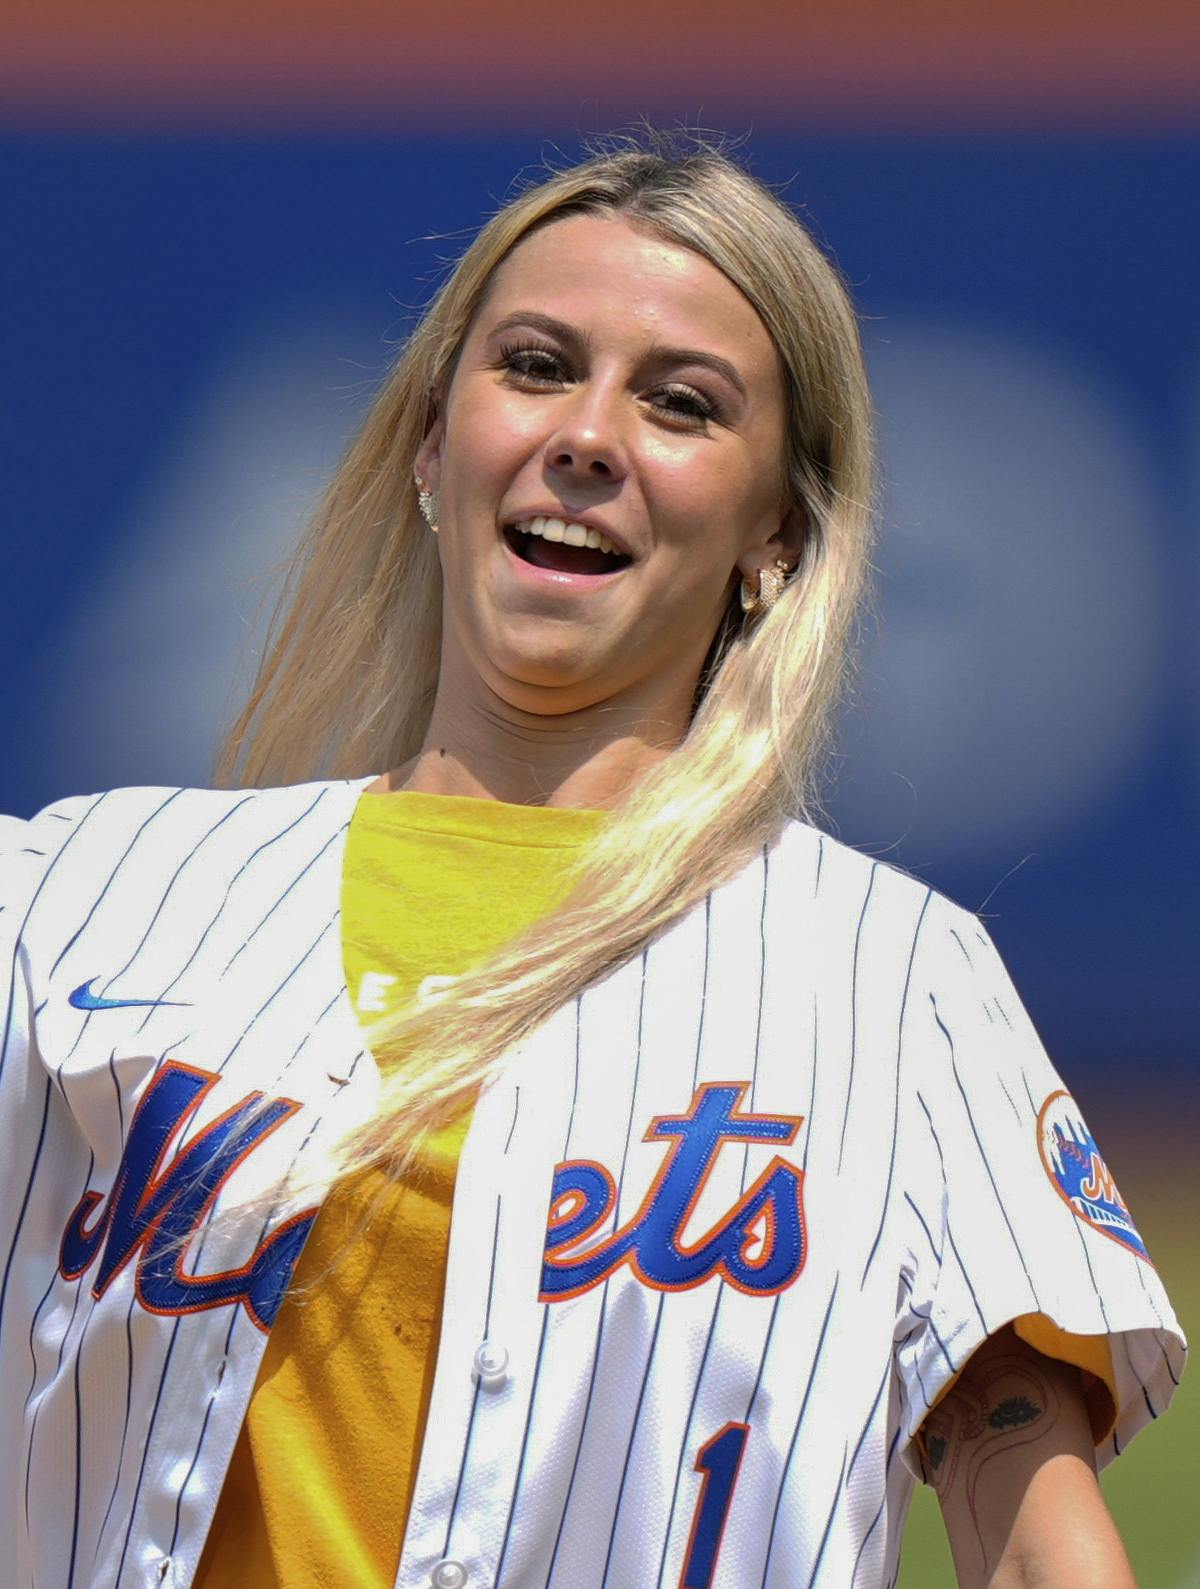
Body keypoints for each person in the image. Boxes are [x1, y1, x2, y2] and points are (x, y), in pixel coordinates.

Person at [0, 131, 1185, 1589]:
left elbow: (1022, 1495)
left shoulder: (892, 982)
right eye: (537, 365)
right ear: (433, 446)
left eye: (680, 403)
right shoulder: (84, 897)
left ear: (778, 536)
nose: (589, 435)